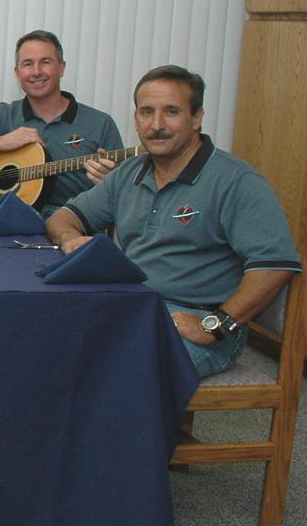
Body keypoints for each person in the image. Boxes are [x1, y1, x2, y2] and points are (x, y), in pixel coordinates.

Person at [46, 65, 301, 377]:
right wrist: (70, 238)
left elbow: (276, 265)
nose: (157, 125)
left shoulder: (237, 181)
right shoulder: (129, 172)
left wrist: (216, 324)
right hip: (135, 308)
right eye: (146, 112)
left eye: (171, 112)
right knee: (46, 344)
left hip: (198, 322)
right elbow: (64, 217)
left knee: (112, 373)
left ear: (196, 118)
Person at [0, 30, 122, 216]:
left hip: (72, 227)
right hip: (6, 225)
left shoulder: (100, 124)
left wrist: (110, 182)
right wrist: (0, 142)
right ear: (17, 72)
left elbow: (124, 191)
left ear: (61, 68)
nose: (36, 72)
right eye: (28, 64)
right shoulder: (4, 115)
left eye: (45, 62)